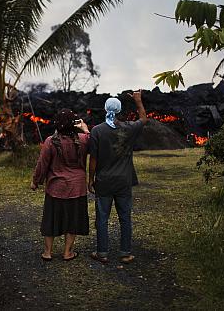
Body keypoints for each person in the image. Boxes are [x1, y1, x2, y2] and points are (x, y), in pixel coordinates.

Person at [88, 90, 148, 264]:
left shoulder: (97, 131)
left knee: (102, 218)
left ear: (105, 109)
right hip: (124, 181)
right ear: (120, 111)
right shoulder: (129, 128)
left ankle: (102, 253)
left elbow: (93, 159)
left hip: (104, 181)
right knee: (125, 218)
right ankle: (125, 253)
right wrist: (138, 101)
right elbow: (144, 120)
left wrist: (90, 180)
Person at [31, 109, 90, 261]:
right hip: (77, 188)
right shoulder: (84, 139)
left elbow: (42, 164)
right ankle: (67, 253)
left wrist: (35, 181)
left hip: (55, 188)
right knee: (73, 220)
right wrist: (86, 129)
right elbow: (95, 144)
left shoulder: (50, 141)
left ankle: (47, 252)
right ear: (73, 124)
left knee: (51, 220)